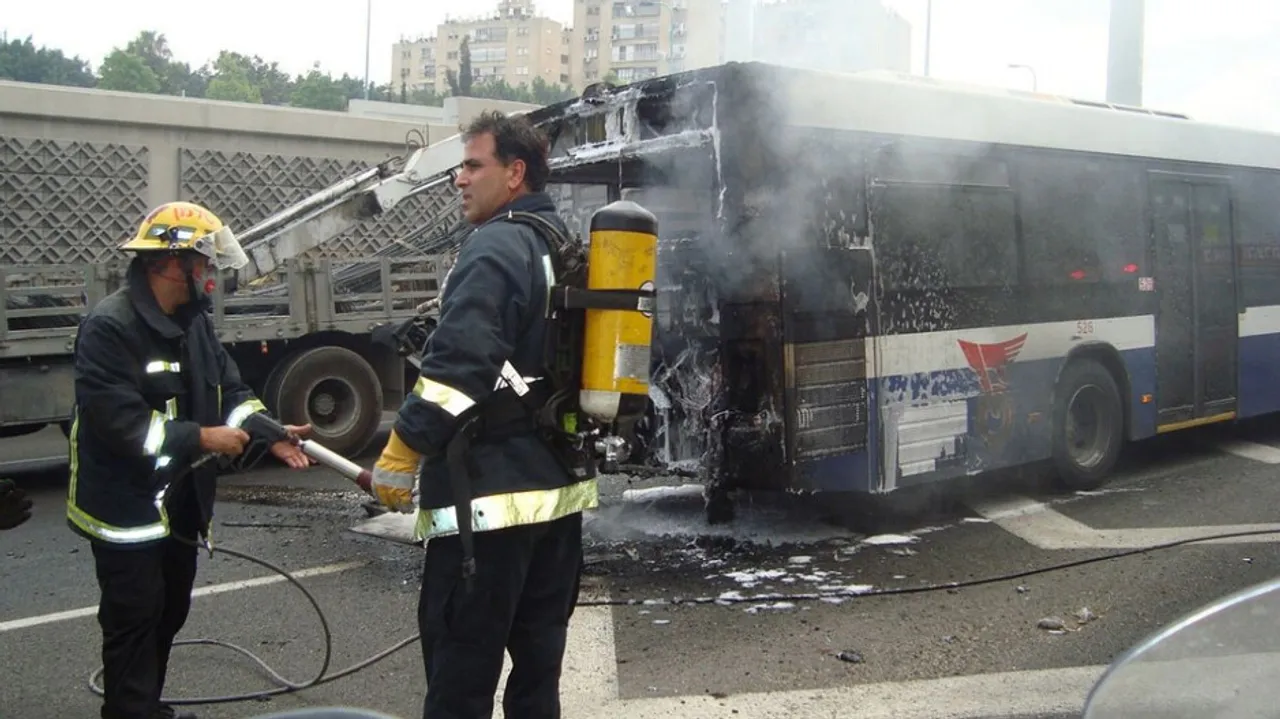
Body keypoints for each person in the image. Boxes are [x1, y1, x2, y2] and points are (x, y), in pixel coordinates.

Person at [370, 111, 598, 719]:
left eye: (473, 165)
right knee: (537, 678)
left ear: (515, 172)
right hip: (559, 496)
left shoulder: (496, 244)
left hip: (488, 505)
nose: (459, 180)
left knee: (460, 676)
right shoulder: (560, 244)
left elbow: (459, 364)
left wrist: (404, 448)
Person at [67, 201, 312, 719]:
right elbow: (125, 428)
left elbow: (233, 391)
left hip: (178, 506)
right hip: (126, 514)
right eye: (204, 265)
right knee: (134, 619)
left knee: (169, 610)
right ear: (172, 263)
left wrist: (270, 433)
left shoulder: (193, 322)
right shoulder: (110, 329)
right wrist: (203, 439)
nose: (210, 276)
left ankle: (145, 707)